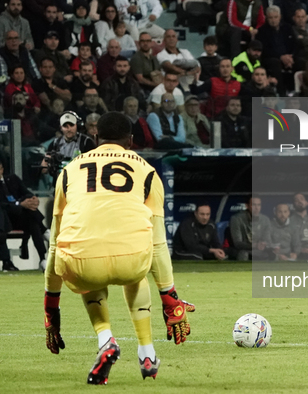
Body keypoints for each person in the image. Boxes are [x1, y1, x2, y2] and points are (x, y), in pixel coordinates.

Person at [42, 112, 195, 384]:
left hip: (81, 264)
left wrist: (50, 307)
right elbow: (159, 243)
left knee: (87, 259)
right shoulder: (147, 171)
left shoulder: (69, 170)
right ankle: (147, 353)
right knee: (135, 263)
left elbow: (54, 243)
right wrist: (169, 297)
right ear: (132, 141)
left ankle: (106, 340)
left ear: (96, 138)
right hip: (132, 261)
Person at [0, 158, 48, 271]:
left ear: (2, 170)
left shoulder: (12, 178)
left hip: (20, 217)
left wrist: (33, 199)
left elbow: (26, 192)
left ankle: (43, 259)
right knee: (26, 212)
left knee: (32, 221)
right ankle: (44, 230)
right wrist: (20, 204)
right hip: (5, 220)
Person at [41, 111, 96, 181]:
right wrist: (48, 164)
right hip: (60, 183)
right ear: (61, 128)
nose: (69, 129)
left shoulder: (86, 142)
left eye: (71, 125)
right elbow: (44, 169)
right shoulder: (55, 143)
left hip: (81, 182)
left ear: (77, 125)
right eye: (65, 126)